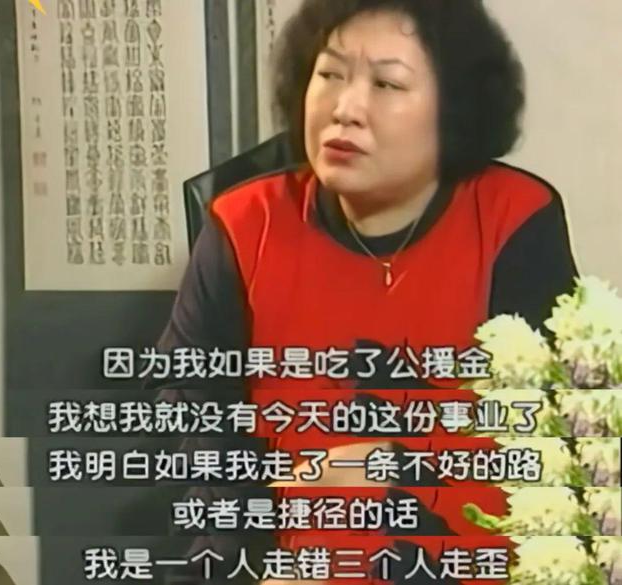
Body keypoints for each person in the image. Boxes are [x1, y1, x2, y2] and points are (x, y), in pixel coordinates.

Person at [150, 1, 578, 583]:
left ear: (454, 108)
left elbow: (553, 443)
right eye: (329, 74)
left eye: (387, 84)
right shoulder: (245, 224)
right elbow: (193, 416)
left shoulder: (513, 219)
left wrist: (394, 466)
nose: (345, 109)